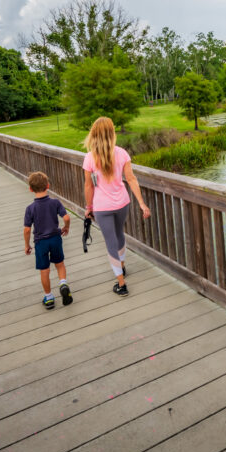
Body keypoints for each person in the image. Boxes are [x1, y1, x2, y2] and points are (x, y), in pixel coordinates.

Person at [82, 116, 150, 296]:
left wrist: (88, 207)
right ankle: (122, 266)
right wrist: (142, 204)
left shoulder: (90, 158)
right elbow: (131, 179)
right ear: (112, 133)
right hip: (122, 203)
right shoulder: (122, 153)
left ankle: (121, 283)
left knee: (111, 241)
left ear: (94, 134)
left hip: (102, 207)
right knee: (119, 234)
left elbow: (88, 186)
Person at [24, 171, 72, 309]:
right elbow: (67, 218)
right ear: (48, 186)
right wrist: (66, 227)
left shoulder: (30, 209)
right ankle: (63, 283)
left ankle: (49, 298)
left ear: (30, 189)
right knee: (60, 264)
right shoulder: (55, 202)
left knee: (44, 270)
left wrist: (27, 245)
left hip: (41, 242)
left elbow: (27, 230)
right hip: (55, 239)